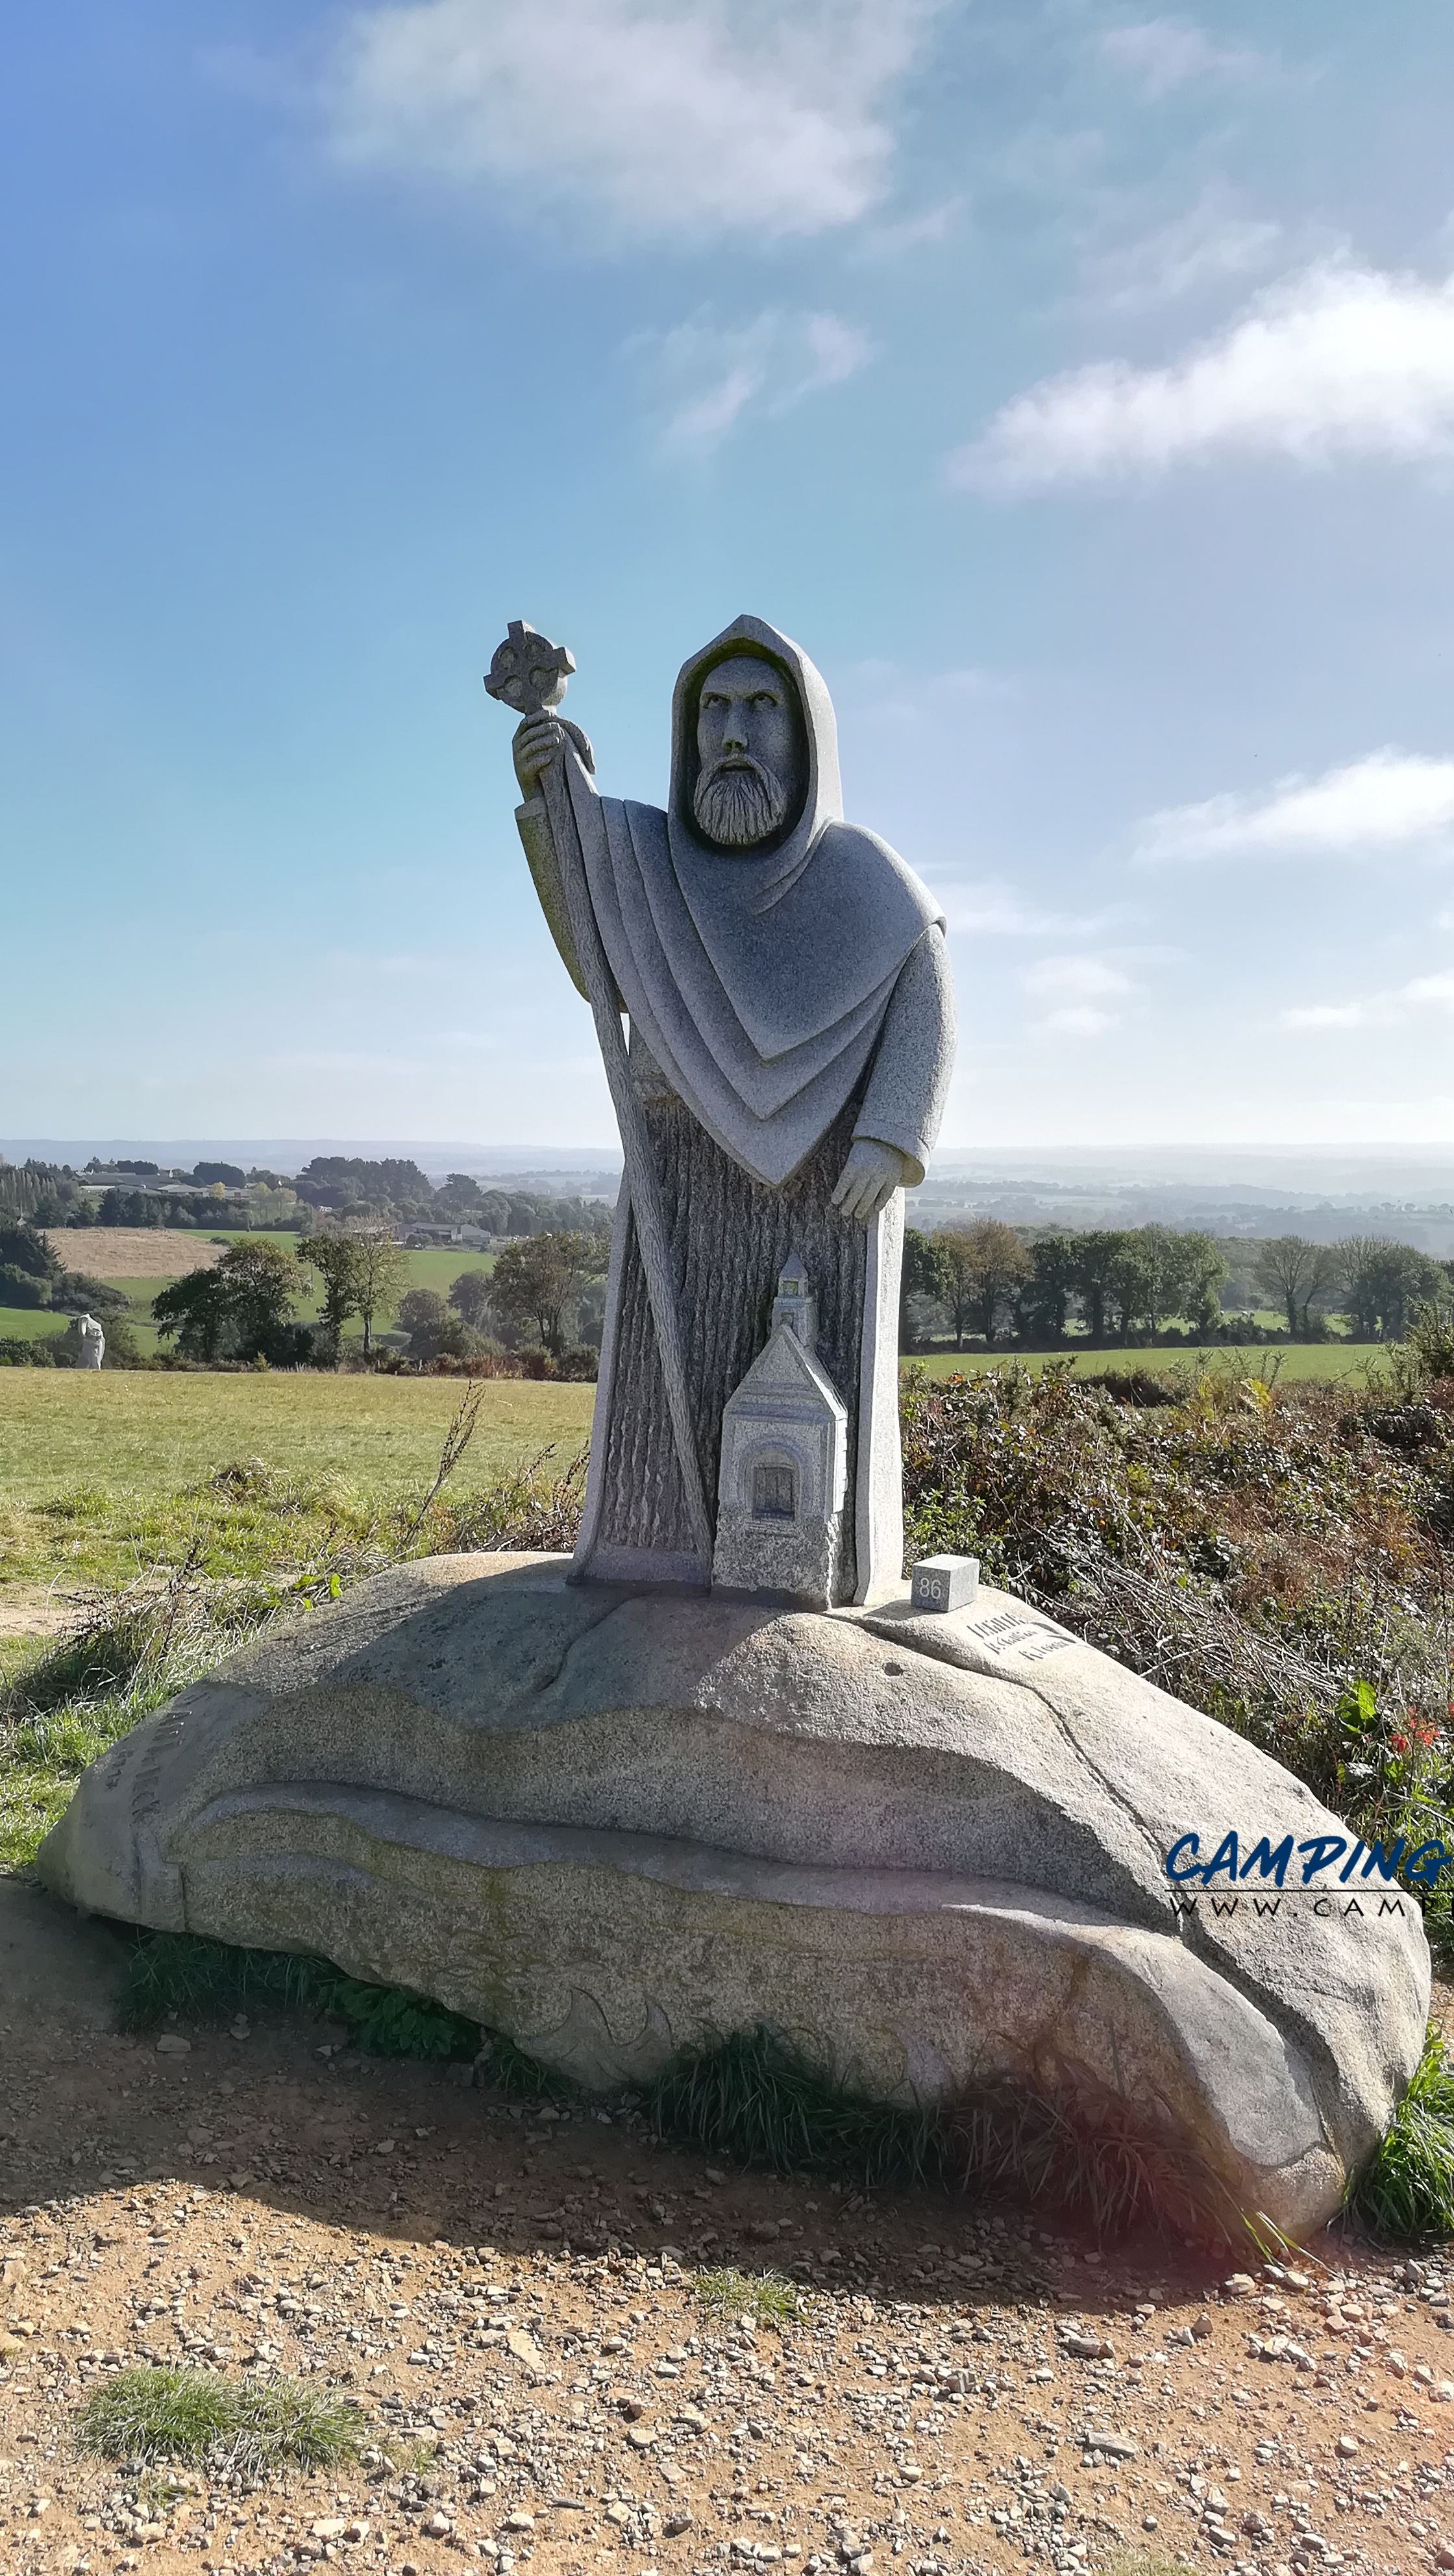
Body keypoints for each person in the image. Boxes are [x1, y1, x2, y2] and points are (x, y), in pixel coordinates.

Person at [510, 613, 955, 1602]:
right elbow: (597, 955)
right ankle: (649, 1552)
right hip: (677, 1176)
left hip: (829, 1192)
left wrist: (892, 1136)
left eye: (761, 708)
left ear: (807, 734)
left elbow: (924, 992)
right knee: (659, 1412)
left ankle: (816, 1571)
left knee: (816, 1408)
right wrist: (551, 799)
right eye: (713, 709)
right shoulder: (647, 859)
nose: (734, 733)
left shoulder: (868, 880)